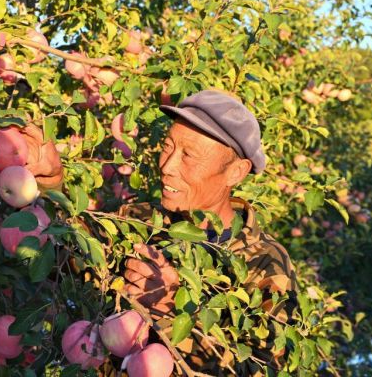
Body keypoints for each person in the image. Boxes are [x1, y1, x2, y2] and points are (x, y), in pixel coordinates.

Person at [117, 89, 298, 376]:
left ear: (236, 173)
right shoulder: (138, 221)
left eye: (189, 155)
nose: (167, 166)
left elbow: (261, 368)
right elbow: (66, 255)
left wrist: (174, 311)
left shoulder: (265, 264)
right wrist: (51, 184)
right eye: (168, 147)